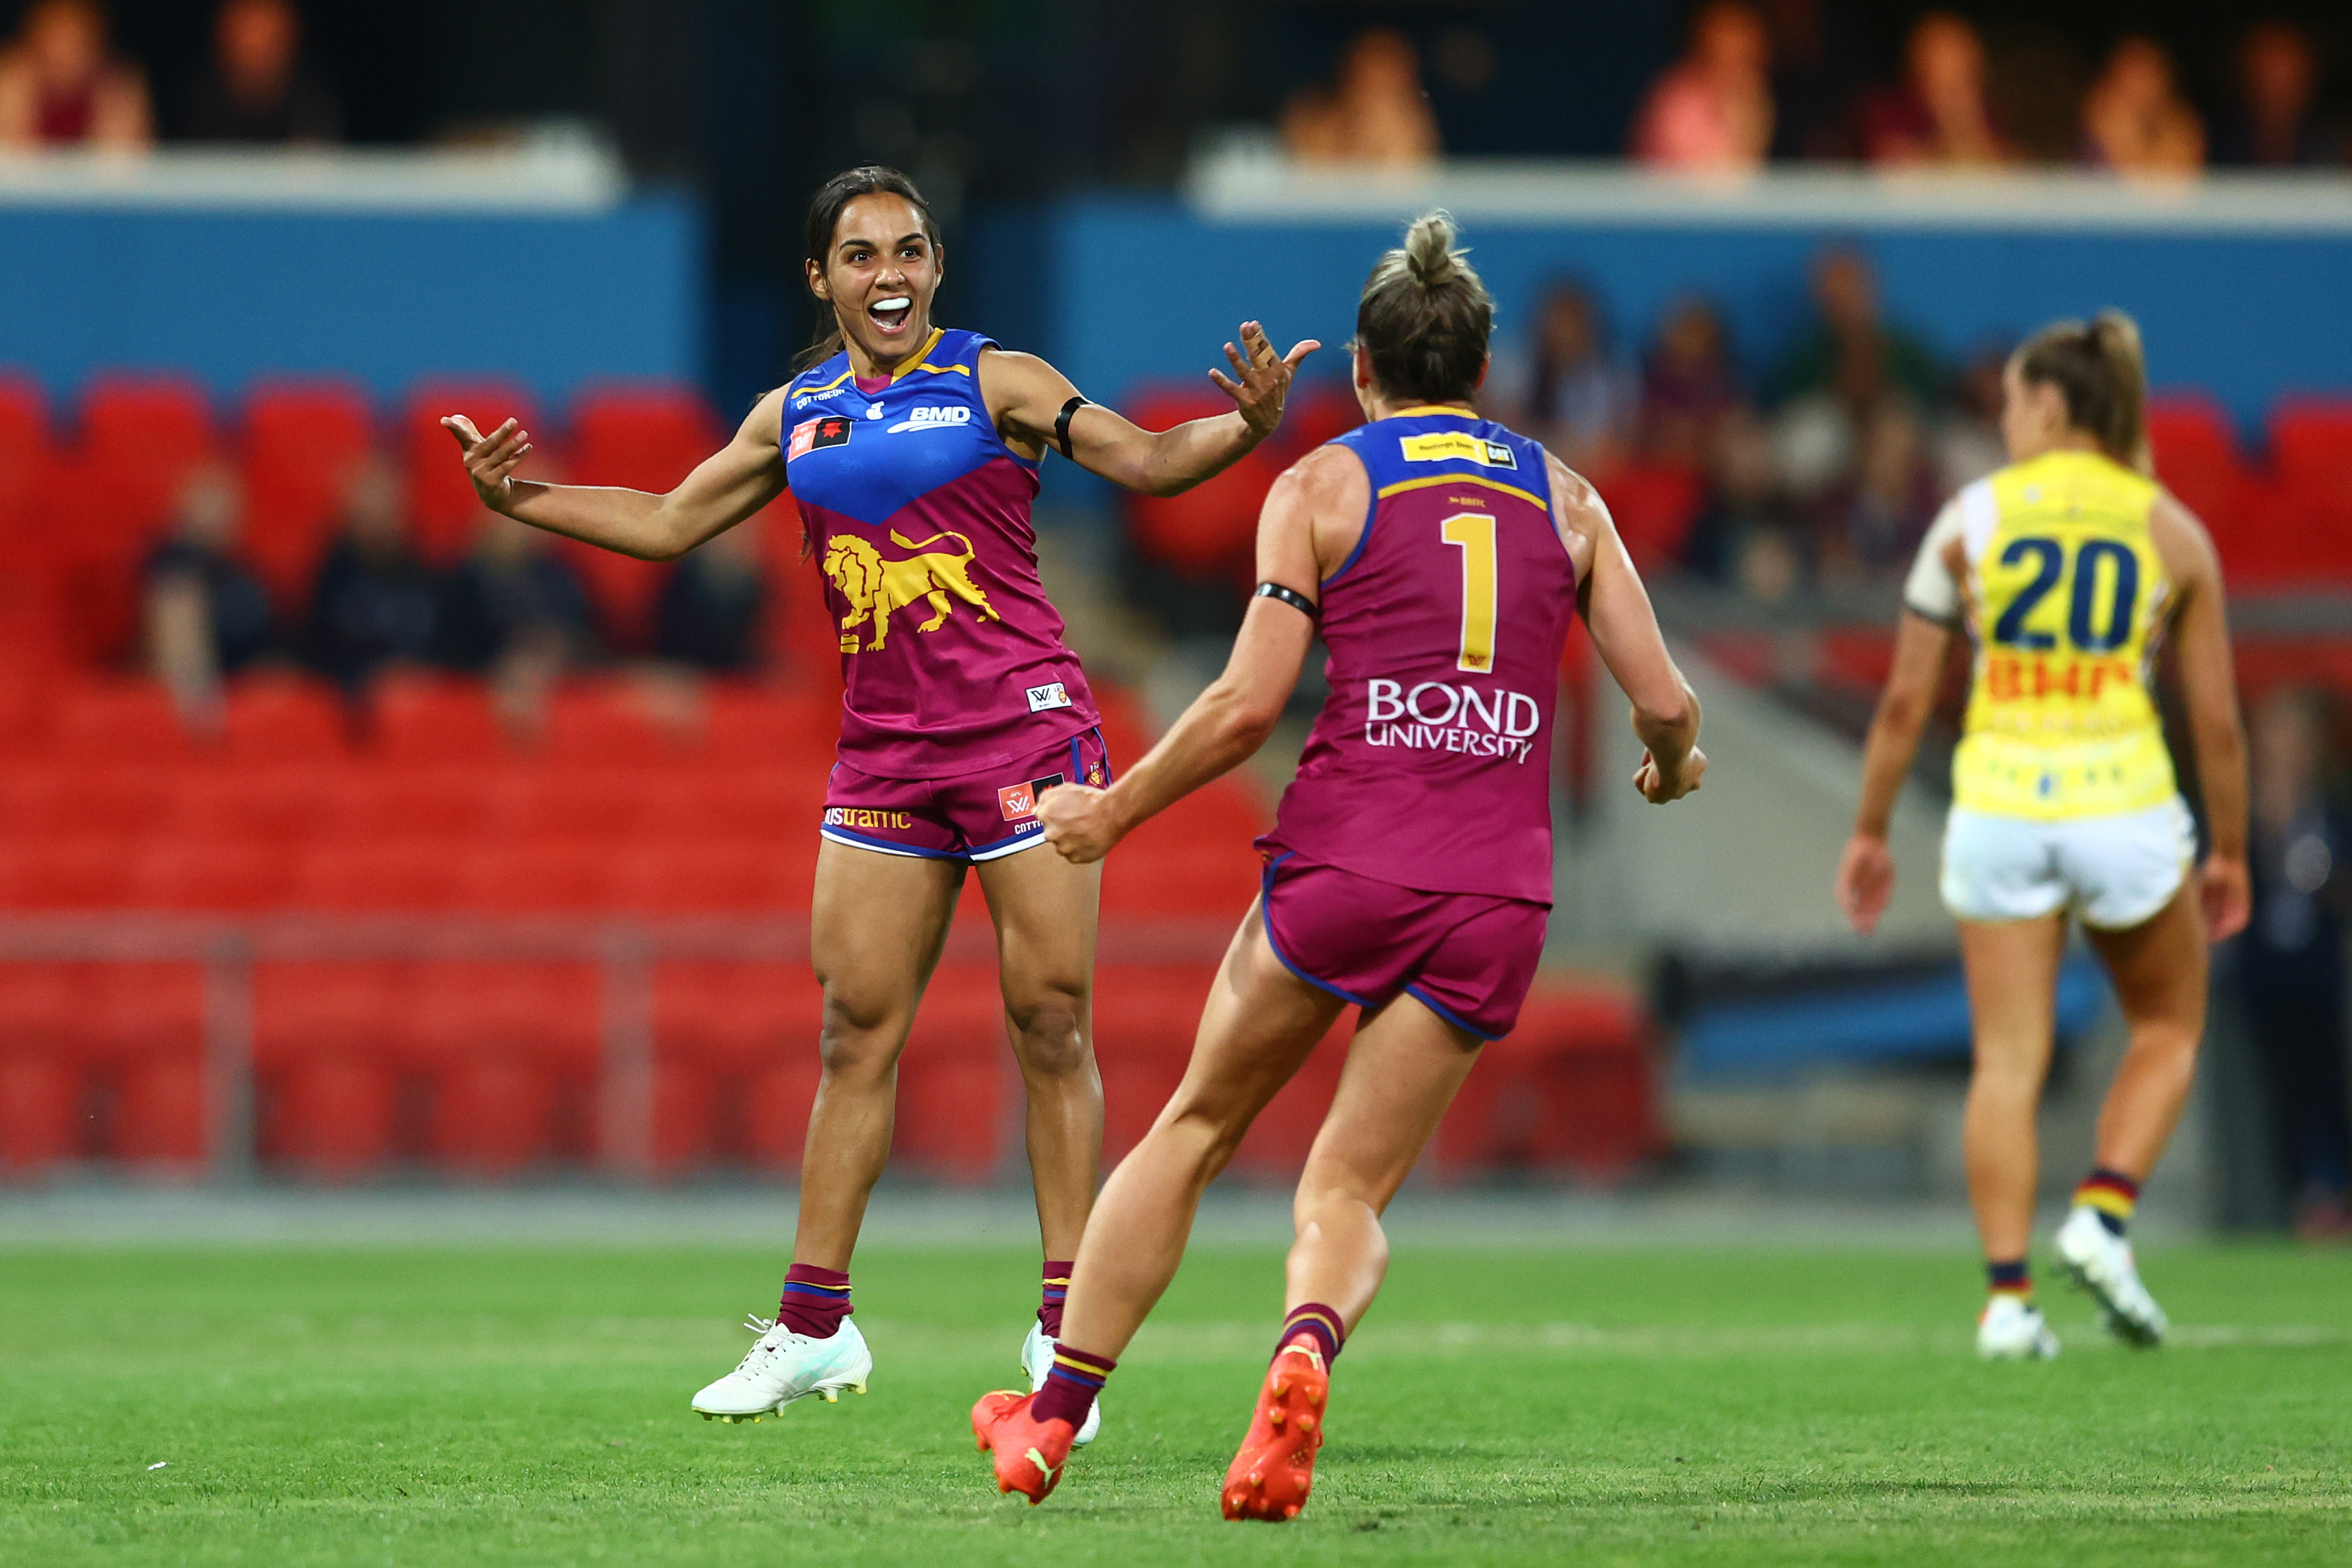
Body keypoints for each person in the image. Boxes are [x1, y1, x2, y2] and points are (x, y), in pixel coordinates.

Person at [440, 165, 1316, 1438]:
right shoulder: (791, 415)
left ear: (936, 267)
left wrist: (1240, 430)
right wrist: (520, 499)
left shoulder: (996, 379)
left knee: (1050, 1022)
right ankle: (811, 1327)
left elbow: (1142, 458)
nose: (889, 275)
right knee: (854, 1031)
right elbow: (669, 520)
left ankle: (1063, 1324)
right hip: (885, 757)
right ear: (820, 277)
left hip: (1026, 731)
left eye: (908, 251)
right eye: (860, 256)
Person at [967, 211, 1704, 1517]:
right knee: (1346, 1186)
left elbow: (1248, 707)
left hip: (1344, 862)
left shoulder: (1320, 485)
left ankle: (1049, 1420)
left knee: (1193, 1128)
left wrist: (1113, 808)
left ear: (1361, 369)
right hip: (1496, 892)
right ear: (1481, 370)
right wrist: (1667, 767)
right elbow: (1660, 700)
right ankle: (1303, 1347)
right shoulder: (1567, 495)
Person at [1836, 311, 2250, 1359]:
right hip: (2122, 802)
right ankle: (2103, 1213)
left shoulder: (1969, 518)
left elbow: (1901, 703)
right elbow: (2215, 724)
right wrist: (2231, 850)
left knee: (2006, 1061)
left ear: (2055, 404)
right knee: (2166, 1028)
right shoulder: (2170, 528)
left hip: (2001, 806)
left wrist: (1871, 828)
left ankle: (2008, 1302)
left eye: (2017, 399)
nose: (2008, 416)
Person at [2239, 688, 2350, 1240]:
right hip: (2261, 973)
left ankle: (2329, 1191)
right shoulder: (2240, 809)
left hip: (2320, 972)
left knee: (2325, 1084)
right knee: (2275, 1092)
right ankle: (2297, 1195)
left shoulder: (2328, 810)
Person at [144, 465, 274, 734]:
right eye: (207, 502)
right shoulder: (172, 566)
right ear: (183, 507)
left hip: (248, 685)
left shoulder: (244, 567)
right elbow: (179, 652)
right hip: (202, 698)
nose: (217, 514)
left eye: (225, 504)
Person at [305, 458, 439, 698]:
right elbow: (313, 661)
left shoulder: (426, 572)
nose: (378, 516)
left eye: (387, 504)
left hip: (420, 699)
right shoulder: (326, 574)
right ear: (348, 510)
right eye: (368, 505)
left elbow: (449, 653)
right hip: (351, 705)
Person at [1630, 1, 1774, 174]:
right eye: (1726, 33)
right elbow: (1702, 176)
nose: (1736, 46)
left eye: (1744, 33)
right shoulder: (1675, 97)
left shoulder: (1757, 95)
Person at [171, 0, 341, 145]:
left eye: (267, 40)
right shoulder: (197, 101)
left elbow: (316, 167)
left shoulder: (311, 102)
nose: (255, 46)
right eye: (247, 33)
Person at [1861, 12, 2007, 167]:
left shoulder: (1982, 111)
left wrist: (1965, 120)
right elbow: (1893, 168)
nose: (1955, 70)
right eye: (1944, 56)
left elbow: (2003, 169)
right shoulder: (1886, 111)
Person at [1279, 27, 1439, 167]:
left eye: (1386, 87)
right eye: (1369, 80)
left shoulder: (1414, 129)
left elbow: (1406, 183)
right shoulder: (1310, 117)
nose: (1376, 96)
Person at [0, 0, 150, 150]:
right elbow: (10, 158)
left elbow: (125, 161)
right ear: (35, 39)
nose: (65, 54)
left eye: (79, 42)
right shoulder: (10, 80)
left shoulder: (120, 87)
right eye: (57, 38)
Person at [2211, 21, 2339, 169]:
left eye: (2287, 76)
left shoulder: (2331, 145)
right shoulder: (2215, 142)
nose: (2276, 88)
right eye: (2267, 75)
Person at [2082, 37, 2204, 177]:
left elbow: (2175, 180)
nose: (2138, 83)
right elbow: (2124, 176)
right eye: (2130, 71)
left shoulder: (2181, 123)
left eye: (2147, 72)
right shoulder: (2099, 114)